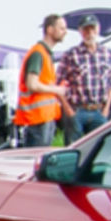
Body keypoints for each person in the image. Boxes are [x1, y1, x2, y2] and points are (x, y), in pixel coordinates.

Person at [14, 13, 70, 148]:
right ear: (50, 30)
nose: (65, 32)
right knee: (35, 159)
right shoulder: (38, 53)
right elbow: (32, 84)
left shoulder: (44, 53)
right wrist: (57, 90)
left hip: (44, 118)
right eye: (61, 28)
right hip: (37, 119)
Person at [58, 14, 111, 144]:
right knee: (74, 150)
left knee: (97, 149)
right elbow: (57, 84)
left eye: (92, 29)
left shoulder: (108, 54)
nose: (90, 33)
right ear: (80, 32)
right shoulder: (71, 54)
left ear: (98, 29)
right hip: (78, 110)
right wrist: (69, 111)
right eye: (86, 29)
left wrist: (106, 110)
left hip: (99, 111)